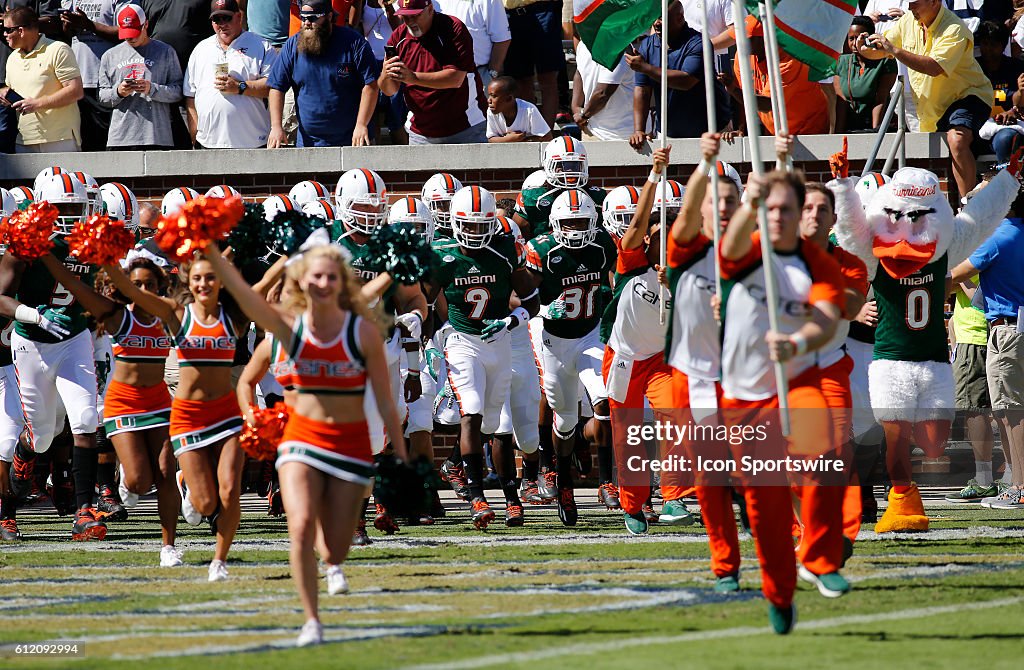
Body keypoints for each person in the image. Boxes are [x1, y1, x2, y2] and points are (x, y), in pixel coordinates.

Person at [205, 235, 408, 646]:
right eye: (316, 275)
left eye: (332, 276)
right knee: (299, 527)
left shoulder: (362, 331)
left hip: (348, 444)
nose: (323, 283)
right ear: (303, 279)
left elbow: (386, 401)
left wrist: (400, 452)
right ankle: (311, 621)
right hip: (300, 439)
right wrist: (210, 252)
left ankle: (333, 566)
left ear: (342, 282)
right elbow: (245, 296)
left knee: (334, 545)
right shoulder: (288, 328)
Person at [719, 168, 846, 633]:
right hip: (744, 394)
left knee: (823, 458)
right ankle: (778, 592)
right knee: (766, 507)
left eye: (785, 210)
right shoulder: (748, 251)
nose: (778, 217)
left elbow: (827, 318)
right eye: (770, 209)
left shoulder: (817, 262)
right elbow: (728, 250)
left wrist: (796, 344)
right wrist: (749, 201)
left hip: (797, 380)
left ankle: (820, 558)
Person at [39, 253, 183, 565]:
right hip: (124, 404)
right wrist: (46, 254)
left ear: (160, 286)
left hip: (158, 402)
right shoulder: (117, 315)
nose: (142, 290)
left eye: (149, 284)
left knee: (166, 475)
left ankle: (168, 547)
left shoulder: (169, 313)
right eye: (136, 285)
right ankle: (124, 484)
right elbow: (72, 284)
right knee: (139, 482)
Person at [423, 185, 537, 528]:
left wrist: (511, 319)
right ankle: (477, 497)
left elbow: (532, 298)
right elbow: (424, 302)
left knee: (495, 424)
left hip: (499, 340)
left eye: (480, 225)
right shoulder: (442, 253)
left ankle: (511, 497)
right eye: (467, 225)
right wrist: (428, 343)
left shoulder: (505, 247)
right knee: (470, 412)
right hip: (462, 341)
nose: (474, 232)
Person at [0, 174, 105, 541]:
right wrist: (34, 314)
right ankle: (27, 452)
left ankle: (84, 512)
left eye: (78, 206)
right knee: (43, 435)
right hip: (32, 343)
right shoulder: (27, 241)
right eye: (64, 207)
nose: (73, 214)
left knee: (86, 418)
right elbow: (0, 296)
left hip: (74, 337)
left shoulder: (94, 239)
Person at [524, 189, 618, 526]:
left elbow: (615, 279)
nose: (577, 229)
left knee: (604, 399)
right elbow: (523, 295)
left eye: (582, 221)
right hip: (556, 342)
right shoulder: (543, 251)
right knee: (563, 420)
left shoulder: (602, 245)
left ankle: (607, 481)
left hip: (591, 335)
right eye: (570, 222)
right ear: (555, 223)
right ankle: (564, 482)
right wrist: (545, 307)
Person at [857, 0, 995, 199]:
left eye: (915, 3)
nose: (910, 7)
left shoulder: (955, 28)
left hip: (969, 94)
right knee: (954, 150)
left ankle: (969, 207)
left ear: (934, 2)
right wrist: (864, 48)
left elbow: (934, 68)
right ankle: (986, 179)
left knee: (957, 139)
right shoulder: (907, 21)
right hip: (934, 106)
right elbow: (882, 49)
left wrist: (894, 50)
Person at [949, 190, 1024, 510]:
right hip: (1012, 327)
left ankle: (1019, 487)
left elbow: (953, 277)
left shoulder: (998, 237)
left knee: (1012, 413)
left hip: (1007, 331)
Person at [267, 0, 379, 148]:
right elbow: (276, 87)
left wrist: (361, 124)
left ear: (329, 17)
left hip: (352, 140)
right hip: (309, 143)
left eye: (313, 18)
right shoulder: (293, 45)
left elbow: (371, 84)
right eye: (303, 18)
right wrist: (276, 127)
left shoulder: (353, 43)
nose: (307, 23)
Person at [626, 0, 731, 150]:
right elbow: (642, 89)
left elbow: (686, 80)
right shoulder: (647, 45)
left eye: (662, 18)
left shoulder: (698, 43)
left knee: (712, 174)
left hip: (711, 132)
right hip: (669, 134)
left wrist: (646, 68)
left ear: (680, 18)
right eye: (655, 18)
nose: (656, 23)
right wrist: (639, 130)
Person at [379, 0, 486, 145]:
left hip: (465, 127)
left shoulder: (452, 28)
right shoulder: (398, 37)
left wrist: (413, 77)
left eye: (415, 16)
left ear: (430, 9)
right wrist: (386, 73)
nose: (410, 22)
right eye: (405, 16)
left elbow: (455, 78)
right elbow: (389, 90)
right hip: (420, 133)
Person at [183, 0, 276, 149]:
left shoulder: (261, 45)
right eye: (216, 19)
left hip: (252, 142)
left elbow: (273, 88)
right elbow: (190, 95)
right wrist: (194, 134)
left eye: (226, 18)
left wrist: (240, 87)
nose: (222, 24)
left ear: (239, 17)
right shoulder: (201, 49)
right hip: (208, 144)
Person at [99, 3, 184, 151]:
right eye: (126, 34)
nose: (130, 38)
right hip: (120, 138)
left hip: (157, 136)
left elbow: (178, 92)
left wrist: (152, 88)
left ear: (146, 25)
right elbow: (102, 98)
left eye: (134, 33)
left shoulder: (165, 52)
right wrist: (119, 91)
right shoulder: (109, 56)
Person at [726, 15, 827, 137]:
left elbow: (768, 104)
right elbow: (742, 98)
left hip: (809, 130)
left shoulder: (789, 57)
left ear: (764, 39)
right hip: (776, 132)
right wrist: (741, 130)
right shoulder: (742, 56)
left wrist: (733, 90)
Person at [1, 7, 84, 152]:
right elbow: (13, 91)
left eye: (8, 30)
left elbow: (75, 90)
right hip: (24, 140)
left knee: (62, 176)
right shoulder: (12, 58)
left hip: (59, 139)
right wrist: (4, 95)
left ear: (21, 31)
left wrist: (37, 103)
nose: (4, 34)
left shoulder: (58, 49)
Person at [60, 0, 118, 151]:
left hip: (107, 81)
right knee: (84, 140)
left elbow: (124, 32)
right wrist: (68, 26)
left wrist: (89, 25)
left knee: (106, 140)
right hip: (79, 80)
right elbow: (69, 35)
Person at [501, 0, 561, 127]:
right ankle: (530, 130)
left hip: (542, 10)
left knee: (547, 76)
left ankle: (546, 134)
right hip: (509, 15)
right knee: (520, 79)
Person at [834, 16, 898, 132]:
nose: (855, 43)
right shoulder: (842, 62)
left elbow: (880, 100)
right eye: (851, 38)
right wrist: (837, 135)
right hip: (850, 127)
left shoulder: (886, 60)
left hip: (877, 127)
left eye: (859, 38)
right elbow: (841, 102)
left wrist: (875, 133)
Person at [974, 20, 1024, 162]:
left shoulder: (1016, 67)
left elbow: (1018, 99)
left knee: (1005, 139)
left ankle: (1008, 182)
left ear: (1003, 46)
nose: (988, 49)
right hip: (978, 125)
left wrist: (1014, 107)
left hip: (1006, 127)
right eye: (985, 43)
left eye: (993, 45)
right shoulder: (972, 68)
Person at [359, 0, 407, 143]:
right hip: (370, 62)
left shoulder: (397, 2)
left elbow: (398, 27)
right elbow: (354, 23)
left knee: (396, 117)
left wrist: (387, 5)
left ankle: (404, 158)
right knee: (373, 119)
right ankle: (375, 161)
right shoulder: (364, 3)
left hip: (392, 60)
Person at [571, 37, 637, 142]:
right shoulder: (582, 45)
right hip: (591, 131)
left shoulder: (619, 47)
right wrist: (575, 106)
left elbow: (602, 94)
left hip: (626, 136)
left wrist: (583, 115)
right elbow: (579, 72)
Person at [434, 0, 509, 88]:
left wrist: (491, 74)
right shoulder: (432, 2)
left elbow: (502, 39)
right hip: (441, 76)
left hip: (479, 76)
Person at [485, 75, 549, 142]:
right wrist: (509, 139)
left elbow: (547, 137)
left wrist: (520, 140)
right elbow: (491, 139)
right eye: (489, 95)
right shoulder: (491, 111)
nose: (489, 100)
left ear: (509, 98)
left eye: (494, 96)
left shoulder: (529, 110)